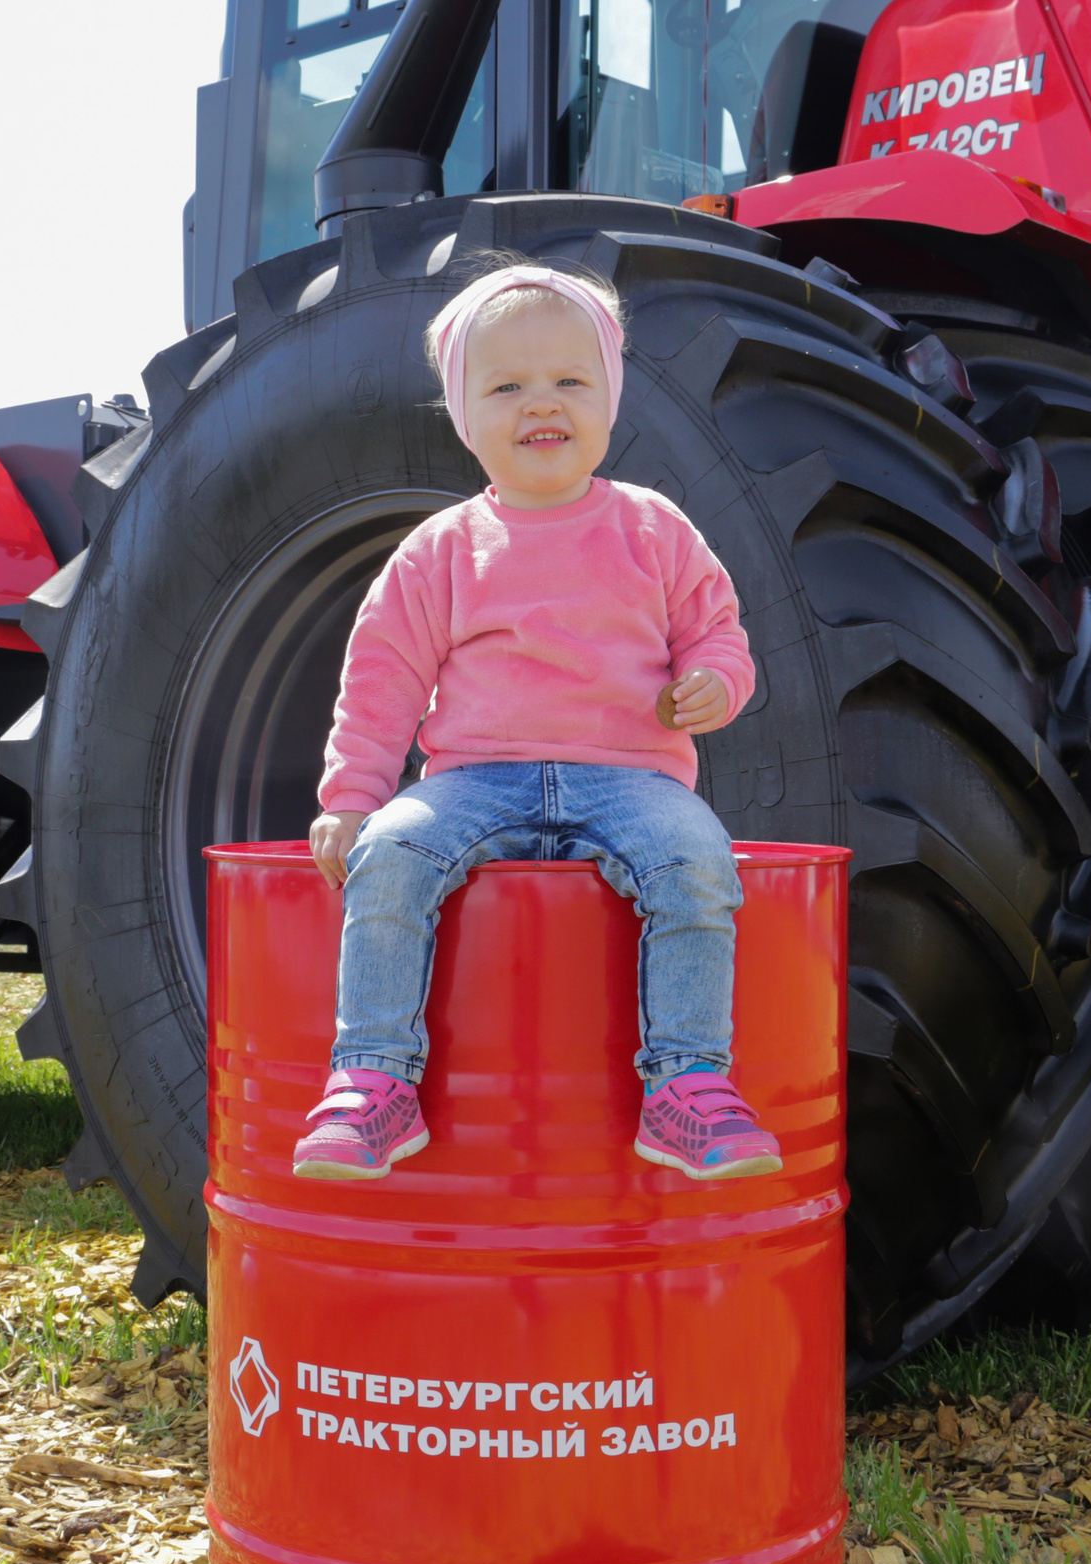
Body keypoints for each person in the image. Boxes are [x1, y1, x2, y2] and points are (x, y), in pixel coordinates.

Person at [294, 262, 780, 1184]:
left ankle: (687, 1085)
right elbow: (384, 678)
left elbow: (719, 630)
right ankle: (372, 1080)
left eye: (568, 379)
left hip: (633, 778)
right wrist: (353, 797)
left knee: (699, 863)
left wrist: (716, 681)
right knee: (390, 854)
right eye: (507, 386)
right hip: (474, 779)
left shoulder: (654, 528)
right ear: (464, 414)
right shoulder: (440, 549)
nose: (540, 403)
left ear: (610, 397)